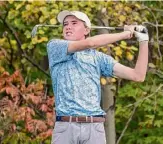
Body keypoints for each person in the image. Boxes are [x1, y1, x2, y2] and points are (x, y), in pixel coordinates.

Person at [47, 10, 148, 144]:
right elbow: (90, 43)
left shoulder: (99, 58)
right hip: (66, 127)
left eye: (74, 23)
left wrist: (143, 40)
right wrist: (126, 34)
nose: (68, 26)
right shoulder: (55, 46)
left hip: (94, 127)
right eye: (65, 24)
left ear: (86, 30)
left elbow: (138, 76)